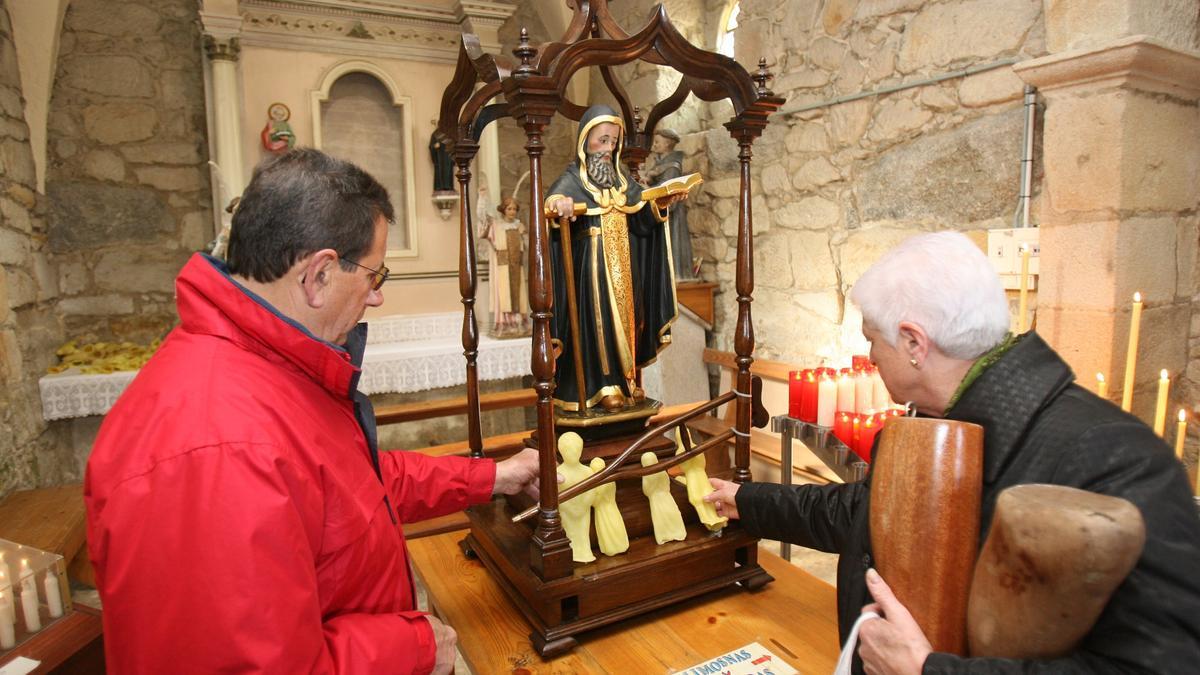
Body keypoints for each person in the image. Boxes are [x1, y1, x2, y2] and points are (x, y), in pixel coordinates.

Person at [84, 148, 541, 674]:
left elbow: (352, 489)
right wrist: (413, 647)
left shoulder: (268, 369)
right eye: (375, 274)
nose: (377, 298)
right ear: (318, 275)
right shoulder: (218, 447)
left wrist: (494, 477)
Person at [705, 231, 1200, 673]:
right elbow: (868, 513)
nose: (871, 356)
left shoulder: (1118, 457)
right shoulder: (941, 416)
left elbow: (1165, 662)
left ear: (914, 342)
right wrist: (744, 501)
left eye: (873, 340)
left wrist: (927, 670)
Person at [545, 104, 685, 413]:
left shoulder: (622, 182)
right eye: (602, 140)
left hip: (625, 266)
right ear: (585, 141)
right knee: (599, 324)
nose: (608, 149)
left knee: (629, 322)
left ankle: (626, 381)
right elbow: (553, 200)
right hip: (592, 270)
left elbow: (640, 217)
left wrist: (660, 203)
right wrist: (561, 205)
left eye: (613, 142)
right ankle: (601, 386)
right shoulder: (574, 179)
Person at [642, 128, 695, 280]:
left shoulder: (672, 167)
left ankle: (674, 275)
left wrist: (647, 189)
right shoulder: (659, 164)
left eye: (658, 142)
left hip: (671, 217)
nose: (655, 145)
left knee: (672, 246)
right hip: (660, 215)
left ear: (667, 144)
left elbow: (667, 192)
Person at [481, 196, 529, 335]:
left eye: (514, 209)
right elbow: (486, 235)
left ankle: (520, 322)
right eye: (509, 208)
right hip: (503, 263)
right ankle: (506, 322)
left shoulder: (519, 226)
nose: (512, 211)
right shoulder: (496, 226)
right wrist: (483, 201)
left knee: (518, 293)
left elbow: (526, 244)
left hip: (517, 264)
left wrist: (524, 238)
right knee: (504, 291)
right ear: (503, 210)